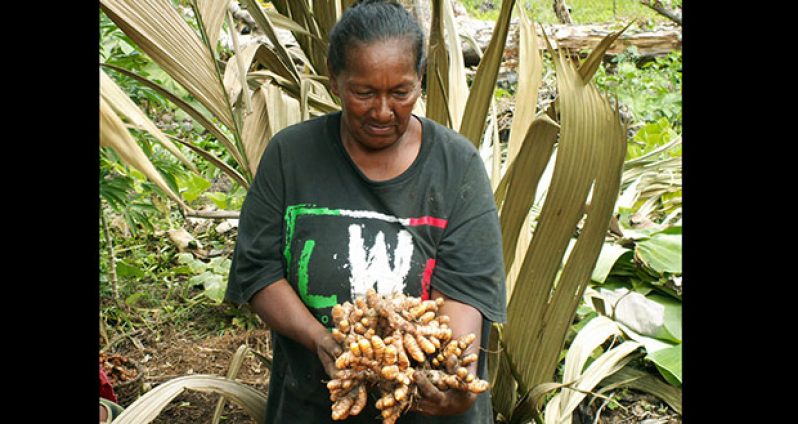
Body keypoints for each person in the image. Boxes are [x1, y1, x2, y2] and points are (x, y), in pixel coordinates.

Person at [225, 0, 506, 422]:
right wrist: (318, 337)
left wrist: (453, 377)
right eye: (364, 92)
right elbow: (257, 270)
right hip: (315, 406)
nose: (382, 111)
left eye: (401, 92)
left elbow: (467, 290)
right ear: (334, 79)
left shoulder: (456, 166)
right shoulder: (291, 156)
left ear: (420, 80)